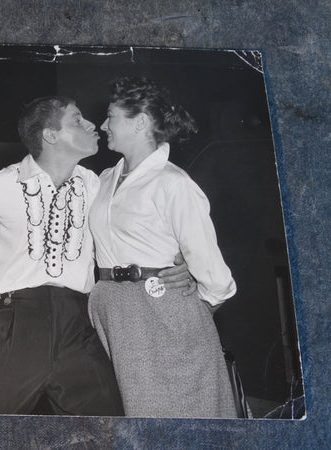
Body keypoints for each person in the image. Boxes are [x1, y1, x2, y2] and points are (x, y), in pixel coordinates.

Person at [0, 96, 192, 415]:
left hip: (78, 322)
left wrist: (181, 264)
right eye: (77, 120)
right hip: (14, 323)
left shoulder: (98, 186)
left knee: (110, 433)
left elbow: (140, 233)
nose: (93, 125)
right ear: (50, 135)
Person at [88, 76, 238, 418]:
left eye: (111, 116)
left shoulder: (174, 184)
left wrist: (180, 310)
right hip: (110, 310)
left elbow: (216, 279)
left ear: (139, 122)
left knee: (177, 421)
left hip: (161, 311)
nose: (102, 124)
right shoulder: (103, 180)